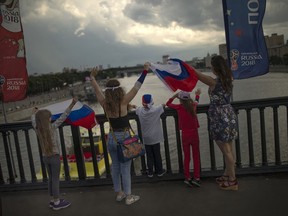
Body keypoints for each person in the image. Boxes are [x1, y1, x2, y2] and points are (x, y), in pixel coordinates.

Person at [90, 63, 149, 205]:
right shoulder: (123, 101)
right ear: (119, 90)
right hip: (124, 138)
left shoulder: (104, 103)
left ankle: (119, 193)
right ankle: (129, 197)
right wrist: (145, 71)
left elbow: (97, 90)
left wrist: (92, 77)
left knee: (115, 166)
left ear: (108, 91)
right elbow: (137, 87)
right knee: (125, 168)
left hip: (111, 137)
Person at [195, 55, 238, 191]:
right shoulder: (229, 79)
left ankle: (232, 181)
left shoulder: (214, 82)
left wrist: (186, 67)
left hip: (219, 118)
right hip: (229, 114)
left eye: (212, 66)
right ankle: (227, 174)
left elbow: (198, 75)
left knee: (226, 151)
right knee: (229, 149)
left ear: (215, 68)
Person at [31, 98, 77, 210]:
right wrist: (72, 104)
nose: (51, 118)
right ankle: (57, 202)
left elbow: (33, 121)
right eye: (50, 117)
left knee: (51, 178)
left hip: (45, 157)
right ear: (47, 120)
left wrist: (33, 113)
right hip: (54, 157)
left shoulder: (37, 129)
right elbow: (63, 116)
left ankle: (52, 200)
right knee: (56, 179)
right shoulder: (52, 127)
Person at [166, 89, 202, 187]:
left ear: (180, 100)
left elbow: (168, 103)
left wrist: (175, 96)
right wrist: (197, 95)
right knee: (196, 156)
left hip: (185, 135)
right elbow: (196, 101)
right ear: (189, 99)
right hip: (194, 133)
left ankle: (187, 177)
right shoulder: (193, 106)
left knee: (187, 157)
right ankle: (197, 177)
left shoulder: (179, 107)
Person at [135, 94, 166, 178]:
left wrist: (132, 106)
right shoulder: (156, 109)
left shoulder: (140, 110)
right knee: (157, 154)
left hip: (146, 138)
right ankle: (159, 171)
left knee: (149, 156)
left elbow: (136, 108)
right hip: (155, 137)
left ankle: (150, 172)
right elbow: (163, 105)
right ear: (152, 101)